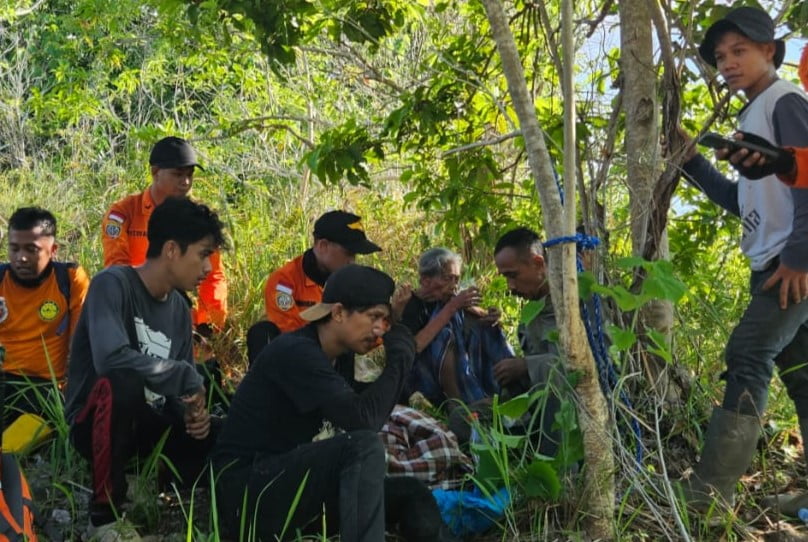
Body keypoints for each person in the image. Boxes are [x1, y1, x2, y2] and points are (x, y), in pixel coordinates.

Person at [680, 5, 808, 514]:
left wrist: (800, 257)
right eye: (720, 56)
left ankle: (709, 495)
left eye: (740, 51)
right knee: (801, 375)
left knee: (747, 354)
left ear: (770, 51)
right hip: (774, 260)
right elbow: (742, 201)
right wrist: (690, 162)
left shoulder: (785, 101)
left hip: (790, 264)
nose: (727, 63)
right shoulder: (751, 113)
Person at [214, 265, 425, 541]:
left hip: (291, 482)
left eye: (384, 321)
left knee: (413, 494)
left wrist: (401, 355)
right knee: (363, 446)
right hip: (247, 495)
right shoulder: (297, 352)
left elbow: (367, 407)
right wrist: (400, 359)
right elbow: (363, 421)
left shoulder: (341, 356)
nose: (379, 330)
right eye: (374, 317)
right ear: (337, 313)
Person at [65, 198, 226, 539]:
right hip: (95, 421)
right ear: (171, 249)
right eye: (202, 254)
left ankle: (148, 482)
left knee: (228, 432)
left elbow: (170, 393)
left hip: (148, 426)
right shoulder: (114, 284)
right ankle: (103, 519)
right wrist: (184, 375)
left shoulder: (180, 311)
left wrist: (191, 412)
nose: (209, 268)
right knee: (122, 381)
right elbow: (110, 360)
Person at [101, 136, 228, 333]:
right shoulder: (123, 213)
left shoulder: (197, 216)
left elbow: (213, 274)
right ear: (155, 172)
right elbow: (116, 265)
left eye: (190, 175)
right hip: (133, 300)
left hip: (179, 303)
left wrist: (208, 326)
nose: (185, 182)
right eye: (178, 174)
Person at [0, 207, 89, 423]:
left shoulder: (70, 279)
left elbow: (81, 346)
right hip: (3, 379)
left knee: (34, 426)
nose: (21, 258)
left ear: (53, 250)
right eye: (14, 249)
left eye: (32, 249)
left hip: (45, 388)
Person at [396, 247, 511, 407]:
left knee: (486, 326)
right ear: (425, 280)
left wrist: (489, 317)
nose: (453, 285)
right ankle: (457, 405)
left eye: (456, 279)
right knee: (444, 334)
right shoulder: (411, 304)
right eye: (447, 278)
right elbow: (415, 347)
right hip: (421, 376)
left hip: (450, 368)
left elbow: (472, 315)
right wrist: (452, 307)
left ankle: (506, 388)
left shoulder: (447, 298)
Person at [261, 210, 381, 337]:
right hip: (296, 351)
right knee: (261, 332)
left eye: (355, 255)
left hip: (335, 351)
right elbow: (291, 331)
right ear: (323, 246)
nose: (352, 261)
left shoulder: (350, 282)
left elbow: (369, 330)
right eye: (348, 253)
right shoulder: (285, 281)